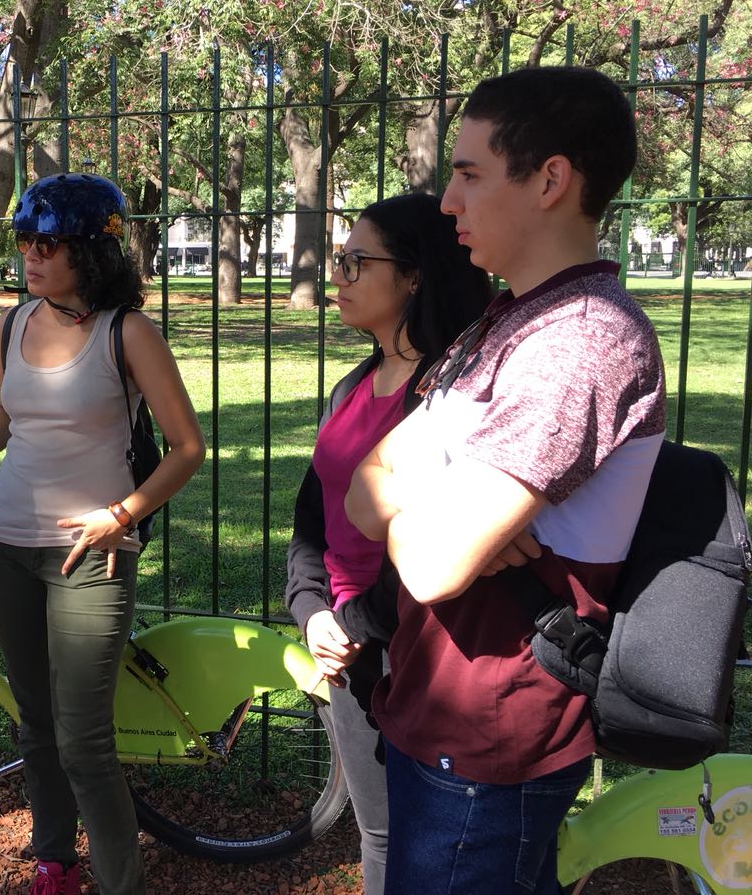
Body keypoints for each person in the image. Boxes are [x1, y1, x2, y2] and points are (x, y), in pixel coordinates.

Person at [343, 67, 666, 894]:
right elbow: (360, 483)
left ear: (551, 179)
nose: (447, 201)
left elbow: (428, 562)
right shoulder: (507, 322)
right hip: (435, 714)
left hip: (488, 745)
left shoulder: (580, 341)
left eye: (470, 173)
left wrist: (429, 497)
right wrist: (440, 498)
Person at [0, 173, 205, 895]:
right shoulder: (11, 324)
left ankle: (119, 882)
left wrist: (121, 515)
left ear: (92, 253)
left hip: (90, 554)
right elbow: (13, 407)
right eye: (25, 244)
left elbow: (187, 447)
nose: (31, 259)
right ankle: (55, 863)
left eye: (49, 245)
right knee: (35, 724)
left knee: (84, 740)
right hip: (3, 542)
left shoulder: (126, 332)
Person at [284, 192, 491, 894]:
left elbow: (446, 537)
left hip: (421, 647)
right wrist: (311, 609)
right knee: (378, 833)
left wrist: (354, 622)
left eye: (356, 260)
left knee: (439, 839)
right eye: (340, 259)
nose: (337, 274)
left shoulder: (453, 396)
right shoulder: (351, 388)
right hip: (345, 647)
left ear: (413, 275)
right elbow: (311, 519)